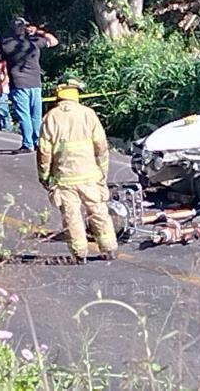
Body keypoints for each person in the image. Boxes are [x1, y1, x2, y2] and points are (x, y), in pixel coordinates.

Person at [37, 78, 117, 264]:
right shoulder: (88, 114)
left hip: (64, 178)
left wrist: (44, 176)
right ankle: (109, 248)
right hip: (90, 175)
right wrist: (102, 171)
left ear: (58, 97)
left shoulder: (50, 118)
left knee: (71, 216)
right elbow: (101, 146)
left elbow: (44, 152)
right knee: (98, 210)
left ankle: (79, 253)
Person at [1, 17, 58, 153]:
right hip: (35, 83)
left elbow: (0, 61)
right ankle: (38, 141)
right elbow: (54, 41)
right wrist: (39, 31)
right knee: (35, 115)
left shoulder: (7, 44)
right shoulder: (34, 42)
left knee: (24, 114)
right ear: (24, 28)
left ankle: (28, 144)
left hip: (19, 83)